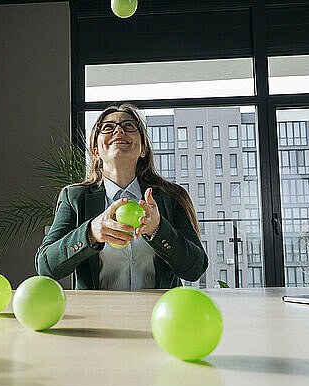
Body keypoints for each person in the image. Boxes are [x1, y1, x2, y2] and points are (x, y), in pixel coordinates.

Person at [35, 104, 208, 290]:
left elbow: (195, 269)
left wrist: (158, 229)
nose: (119, 130)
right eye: (108, 127)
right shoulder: (75, 197)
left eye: (129, 126)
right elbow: (46, 267)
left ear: (143, 149)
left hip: (160, 315)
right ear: (96, 151)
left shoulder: (170, 196)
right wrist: (91, 233)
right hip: (98, 316)